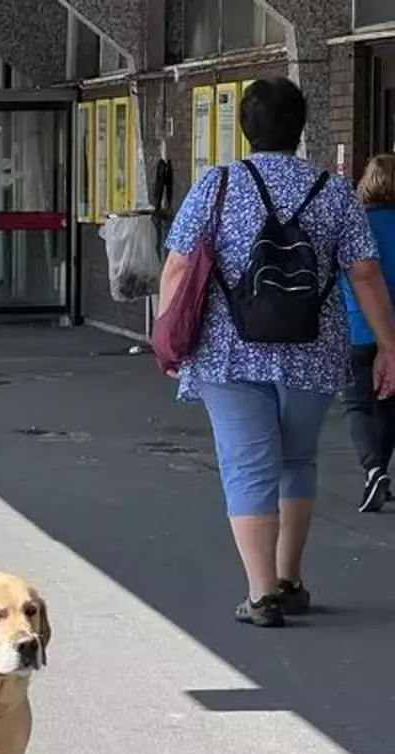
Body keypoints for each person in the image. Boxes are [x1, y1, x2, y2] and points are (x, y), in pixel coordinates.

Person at [160, 77, 395, 628]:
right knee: (296, 460)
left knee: (247, 466)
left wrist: (169, 337)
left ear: (245, 127)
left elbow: (176, 265)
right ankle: (289, 579)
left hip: (228, 353)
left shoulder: (216, 186)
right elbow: (363, 273)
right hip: (311, 349)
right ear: (301, 128)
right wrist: (389, 345)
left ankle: (261, 594)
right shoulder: (333, 191)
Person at [338, 154, 395, 512]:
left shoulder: (356, 225)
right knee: (390, 407)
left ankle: (373, 468)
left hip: (358, 327)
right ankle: (379, 473)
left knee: (357, 403)